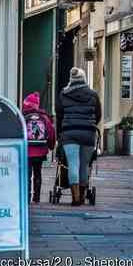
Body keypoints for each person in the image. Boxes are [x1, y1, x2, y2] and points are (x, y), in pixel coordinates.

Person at [56, 67, 102, 206]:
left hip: (69, 133)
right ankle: (82, 196)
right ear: (84, 78)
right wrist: (90, 124)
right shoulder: (93, 95)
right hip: (88, 134)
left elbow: (59, 114)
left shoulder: (63, 94)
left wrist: (61, 131)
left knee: (73, 164)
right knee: (85, 165)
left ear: (71, 79)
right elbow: (98, 114)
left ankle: (75, 198)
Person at [22, 92, 56, 203]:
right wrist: (50, 146)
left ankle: (26, 197)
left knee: (27, 174)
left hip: (26, 151)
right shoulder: (44, 117)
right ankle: (36, 197)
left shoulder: (23, 117)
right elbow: (51, 133)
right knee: (38, 173)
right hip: (40, 151)